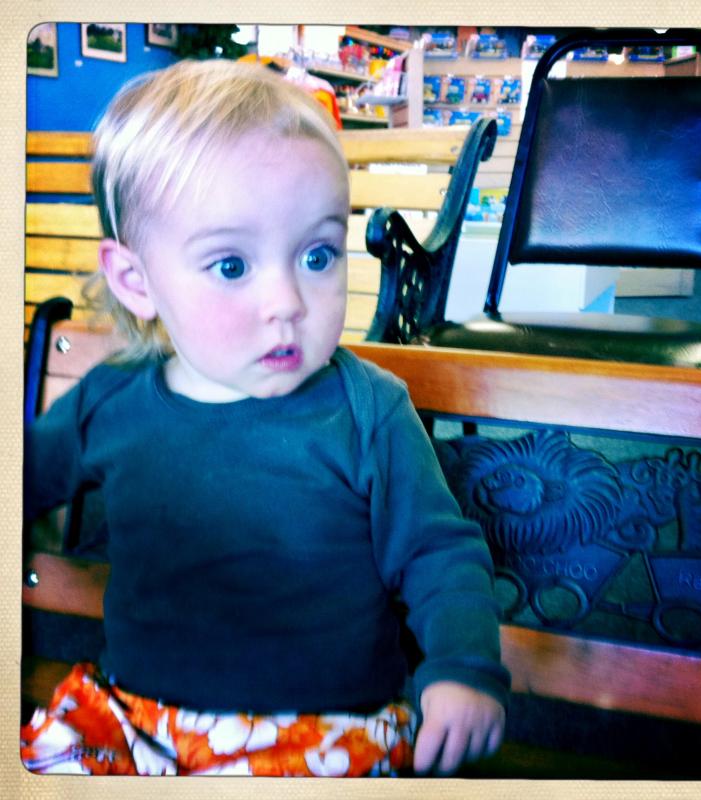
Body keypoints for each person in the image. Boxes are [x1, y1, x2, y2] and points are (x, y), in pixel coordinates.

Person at [21, 59, 509, 777]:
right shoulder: (111, 402)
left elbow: (439, 553)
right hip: (136, 724)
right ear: (136, 280)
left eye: (317, 254)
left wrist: (463, 669)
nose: (287, 302)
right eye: (231, 266)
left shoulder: (368, 411)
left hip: (325, 734)